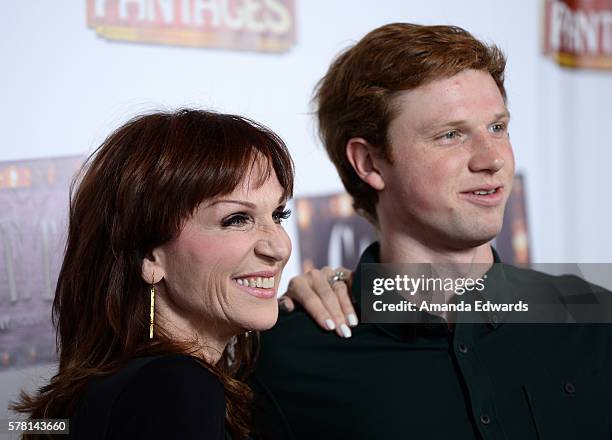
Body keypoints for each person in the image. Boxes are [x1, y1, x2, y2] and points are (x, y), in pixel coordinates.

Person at [249, 23, 612, 439]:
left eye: (497, 127)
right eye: (451, 135)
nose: (492, 159)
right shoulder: (286, 356)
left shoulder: (591, 320)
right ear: (369, 163)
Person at [11, 109, 294, 439]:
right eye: (236, 219)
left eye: (278, 214)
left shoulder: (109, 390)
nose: (279, 247)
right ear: (148, 255)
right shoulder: (176, 385)